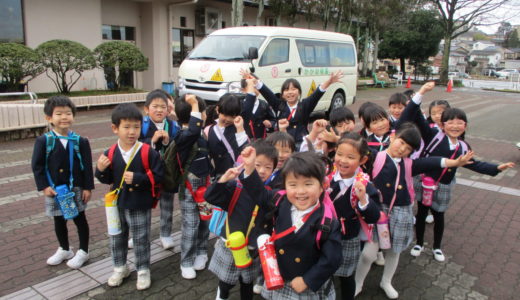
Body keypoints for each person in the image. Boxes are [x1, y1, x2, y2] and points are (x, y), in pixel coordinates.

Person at [354, 123, 474, 299]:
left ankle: (386, 281)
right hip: (378, 211)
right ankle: (358, 284)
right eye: (401, 142)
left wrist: (455, 162)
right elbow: (355, 151)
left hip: (401, 212)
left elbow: (432, 161)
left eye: (408, 148)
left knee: (395, 251)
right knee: (367, 254)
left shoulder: (409, 164)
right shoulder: (375, 157)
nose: (403, 149)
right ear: (393, 137)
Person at [398, 84, 516, 262]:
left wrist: (496, 168)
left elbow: (473, 164)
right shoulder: (431, 135)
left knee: (439, 215)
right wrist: (421, 93)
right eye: (450, 122)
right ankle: (419, 243)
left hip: (444, 185)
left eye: (459, 122)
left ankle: (437, 247)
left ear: (465, 126)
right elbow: (413, 114)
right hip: (424, 181)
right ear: (443, 125)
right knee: (421, 213)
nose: (455, 126)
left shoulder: (463, 146)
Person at [239, 149, 342, 299]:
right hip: (278, 274)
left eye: (308, 184)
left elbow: (332, 259)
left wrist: (308, 280)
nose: (300, 191)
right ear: (285, 186)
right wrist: (249, 168)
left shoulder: (327, 221)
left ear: (321, 187)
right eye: (293, 185)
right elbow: (259, 193)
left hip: (304, 283)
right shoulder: (280, 200)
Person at [95, 103, 164, 290]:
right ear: (115, 128)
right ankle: (120, 267)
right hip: (117, 204)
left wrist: (139, 179)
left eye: (136, 126)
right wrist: (100, 170)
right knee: (117, 237)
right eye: (126, 127)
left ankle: (143, 270)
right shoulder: (110, 152)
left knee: (141, 237)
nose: (132, 132)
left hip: (139, 203)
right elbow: (107, 178)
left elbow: (159, 176)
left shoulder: (147, 151)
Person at [204, 140, 278, 300]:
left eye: (268, 167)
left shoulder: (270, 194)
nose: (262, 171)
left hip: (252, 247)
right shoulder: (236, 187)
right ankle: (222, 295)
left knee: (247, 281)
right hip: (230, 243)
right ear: (248, 163)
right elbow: (210, 197)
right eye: (257, 165)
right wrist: (223, 179)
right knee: (226, 279)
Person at [31, 96, 94, 269]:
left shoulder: (80, 141)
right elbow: (37, 166)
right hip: (55, 190)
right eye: (59, 114)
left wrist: (88, 187)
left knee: (80, 219)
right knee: (58, 220)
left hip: (76, 188)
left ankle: (83, 251)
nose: (64, 117)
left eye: (68, 113)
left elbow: (87, 167)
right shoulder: (44, 141)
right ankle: (65, 249)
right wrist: (44, 186)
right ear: (49, 118)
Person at [330, 133, 380, 300]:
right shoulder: (327, 176)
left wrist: (363, 199)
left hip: (348, 237)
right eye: (339, 154)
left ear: (362, 160)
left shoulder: (365, 185)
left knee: (346, 276)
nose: (343, 160)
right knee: (323, 273)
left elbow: (374, 216)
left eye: (350, 157)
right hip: (324, 236)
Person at [174, 94, 212, 279]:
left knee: (205, 220)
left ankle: (202, 252)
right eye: (201, 111)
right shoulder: (183, 135)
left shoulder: (200, 133)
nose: (205, 115)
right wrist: (195, 104)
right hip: (188, 188)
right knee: (190, 224)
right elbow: (194, 129)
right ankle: (186, 261)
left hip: (205, 186)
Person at [136, 89, 180, 250]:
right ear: (146, 109)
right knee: (144, 207)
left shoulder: (173, 126)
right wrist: (151, 141)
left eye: (163, 107)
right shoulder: (141, 126)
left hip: (166, 174)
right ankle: (139, 235)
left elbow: (178, 147)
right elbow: (135, 146)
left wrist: (169, 142)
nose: (160, 110)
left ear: (168, 109)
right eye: (155, 106)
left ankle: (165, 234)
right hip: (146, 175)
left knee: (167, 205)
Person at [255, 71, 344, 148]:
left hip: (302, 144)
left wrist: (329, 82)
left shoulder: (305, 105)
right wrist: (256, 82)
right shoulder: (279, 105)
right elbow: (267, 93)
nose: (290, 92)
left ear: (299, 92)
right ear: (282, 94)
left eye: (293, 89)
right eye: (286, 90)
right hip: (283, 143)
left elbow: (317, 94)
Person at [205, 93, 248, 178]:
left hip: (234, 177)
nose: (228, 119)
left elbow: (245, 149)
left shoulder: (238, 130)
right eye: (225, 115)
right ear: (218, 110)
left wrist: (240, 128)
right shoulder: (209, 130)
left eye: (232, 116)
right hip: (216, 177)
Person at [241, 75, 277, 140]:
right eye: (251, 87)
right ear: (243, 90)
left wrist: (270, 124)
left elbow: (273, 119)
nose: (254, 89)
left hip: (262, 141)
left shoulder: (264, 104)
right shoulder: (241, 105)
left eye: (255, 87)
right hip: (246, 142)